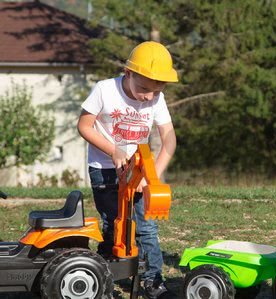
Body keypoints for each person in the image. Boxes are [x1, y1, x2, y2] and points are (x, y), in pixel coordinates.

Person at [77, 41, 177, 299]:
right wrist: (113, 150)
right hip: (105, 169)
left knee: (146, 227)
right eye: (144, 89)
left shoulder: (157, 99)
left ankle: (154, 280)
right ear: (128, 72)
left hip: (138, 173)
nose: (148, 98)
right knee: (114, 223)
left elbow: (169, 140)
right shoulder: (104, 90)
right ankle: (102, 278)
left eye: (156, 92)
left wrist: (151, 176)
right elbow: (84, 126)